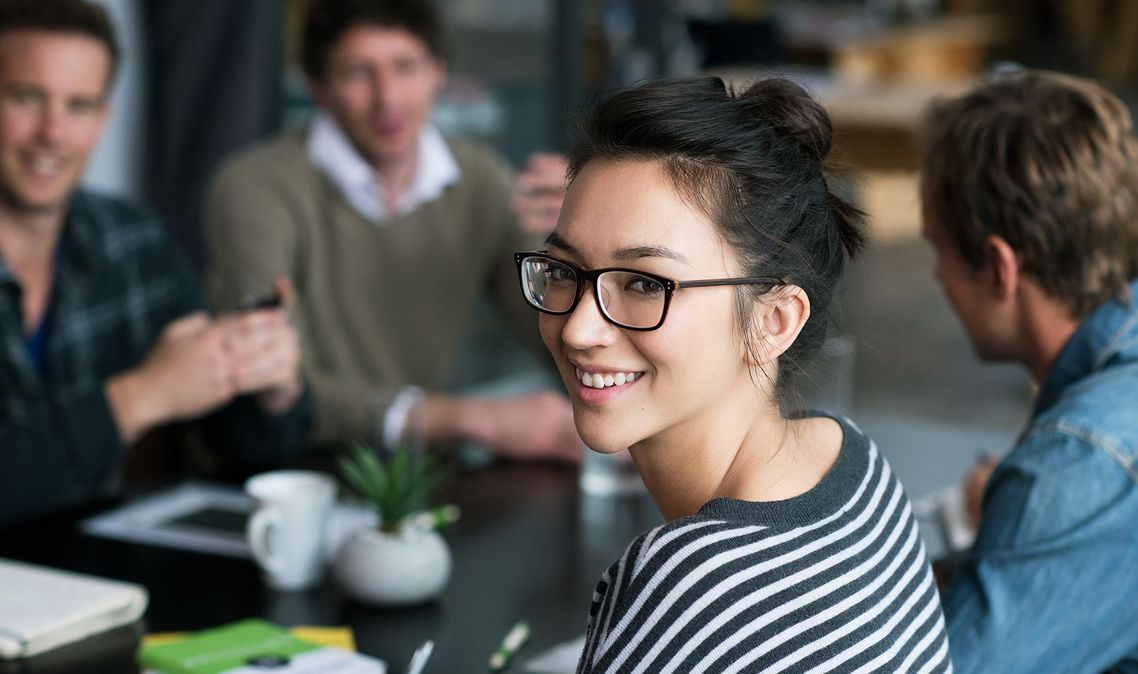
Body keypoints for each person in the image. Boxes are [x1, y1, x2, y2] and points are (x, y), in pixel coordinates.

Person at [518, 76, 952, 672]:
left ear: (774, 320)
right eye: (564, 270)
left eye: (645, 285)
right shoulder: (853, 463)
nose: (578, 329)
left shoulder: (686, 586)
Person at [205, 0, 579, 461]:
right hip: (285, 470)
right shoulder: (255, 185)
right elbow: (274, 381)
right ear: (318, 88)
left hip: (411, 474)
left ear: (438, 72)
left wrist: (587, 241)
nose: (388, 98)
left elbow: (553, 331)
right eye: (358, 73)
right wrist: (472, 418)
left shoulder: (480, 178)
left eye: (406, 66)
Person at [0, 0, 309, 527]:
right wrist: (141, 396)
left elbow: (242, 447)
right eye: (28, 98)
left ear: (103, 119)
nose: (53, 134)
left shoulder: (133, 239)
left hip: (92, 581)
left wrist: (270, 387)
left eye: (80, 106)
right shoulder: (254, 185)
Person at [919, 70, 1138, 673]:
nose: (937, 277)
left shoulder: (1078, 463)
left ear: (998, 267)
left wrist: (1039, 509)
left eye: (938, 251)